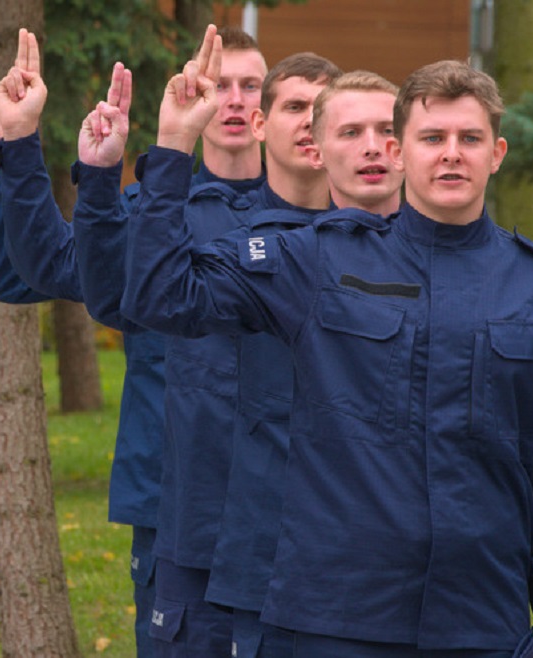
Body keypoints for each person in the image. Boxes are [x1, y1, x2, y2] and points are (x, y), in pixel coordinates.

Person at [124, 58, 533, 658]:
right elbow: (158, 295)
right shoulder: (316, 263)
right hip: (334, 622)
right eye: (433, 138)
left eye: (469, 138)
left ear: (497, 152)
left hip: (482, 625)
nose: (451, 154)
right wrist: (172, 148)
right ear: (401, 152)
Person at [0, 26, 266, 657]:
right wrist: (17, 144)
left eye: (252, 87)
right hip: (172, 499)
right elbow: (19, 273)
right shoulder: (152, 212)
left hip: (285, 498)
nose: (235, 101)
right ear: (188, 97)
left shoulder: (313, 217)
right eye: (217, 86)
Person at [205, 70, 403, 658]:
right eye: (352, 130)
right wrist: (168, 151)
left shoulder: (479, 269)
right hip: (288, 559)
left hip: (424, 584)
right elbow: (147, 293)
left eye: (387, 130)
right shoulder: (286, 259)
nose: (372, 146)